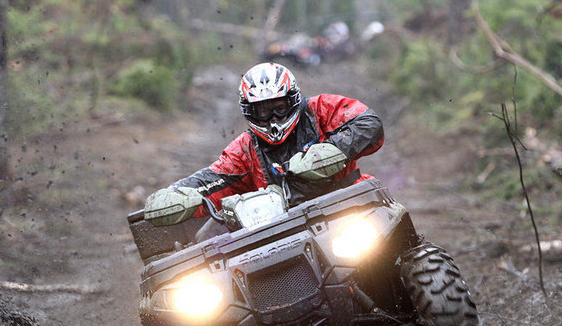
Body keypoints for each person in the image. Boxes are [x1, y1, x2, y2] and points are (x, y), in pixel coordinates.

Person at [144, 62, 384, 226]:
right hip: (284, 229)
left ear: (292, 100)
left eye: (279, 107)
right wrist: (177, 193)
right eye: (263, 111)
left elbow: (368, 122)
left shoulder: (319, 109)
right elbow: (214, 178)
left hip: (350, 204)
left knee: (390, 238)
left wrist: (333, 149)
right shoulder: (245, 149)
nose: (273, 119)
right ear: (250, 112)